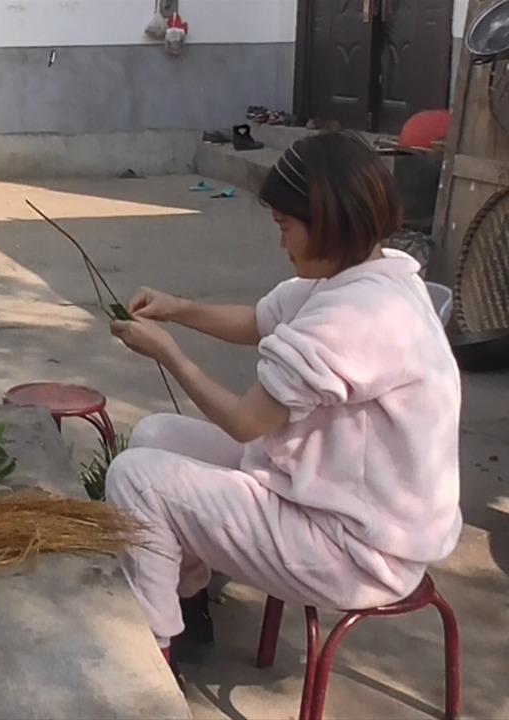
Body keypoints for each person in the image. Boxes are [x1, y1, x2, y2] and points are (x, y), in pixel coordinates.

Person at [105, 132, 461, 684]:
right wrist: (177, 309)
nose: (281, 243)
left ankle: (154, 660)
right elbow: (258, 320)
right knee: (153, 435)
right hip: (333, 498)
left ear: (328, 223)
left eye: (285, 228)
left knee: (136, 478)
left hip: (358, 550)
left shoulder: (360, 317)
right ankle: (190, 603)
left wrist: (167, 352)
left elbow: (247, 421)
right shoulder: (368, 273)